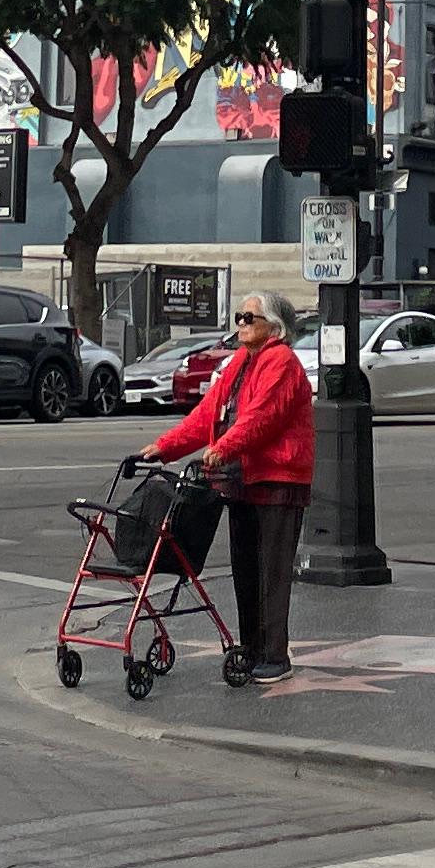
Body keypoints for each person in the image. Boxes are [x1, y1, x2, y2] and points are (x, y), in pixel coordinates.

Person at [149, 291, 313, 680]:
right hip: (242, 479)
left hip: (278, 479)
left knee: (271, 572)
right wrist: (166, 447)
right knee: (246, 570)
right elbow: (208, 413)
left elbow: (261, 418)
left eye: (249, 317)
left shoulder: (282, 362)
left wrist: (223, 448)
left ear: (274, 327)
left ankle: (275, 655)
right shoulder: (241, 362)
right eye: (239, 316)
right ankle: (252, 649)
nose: (240, 323)